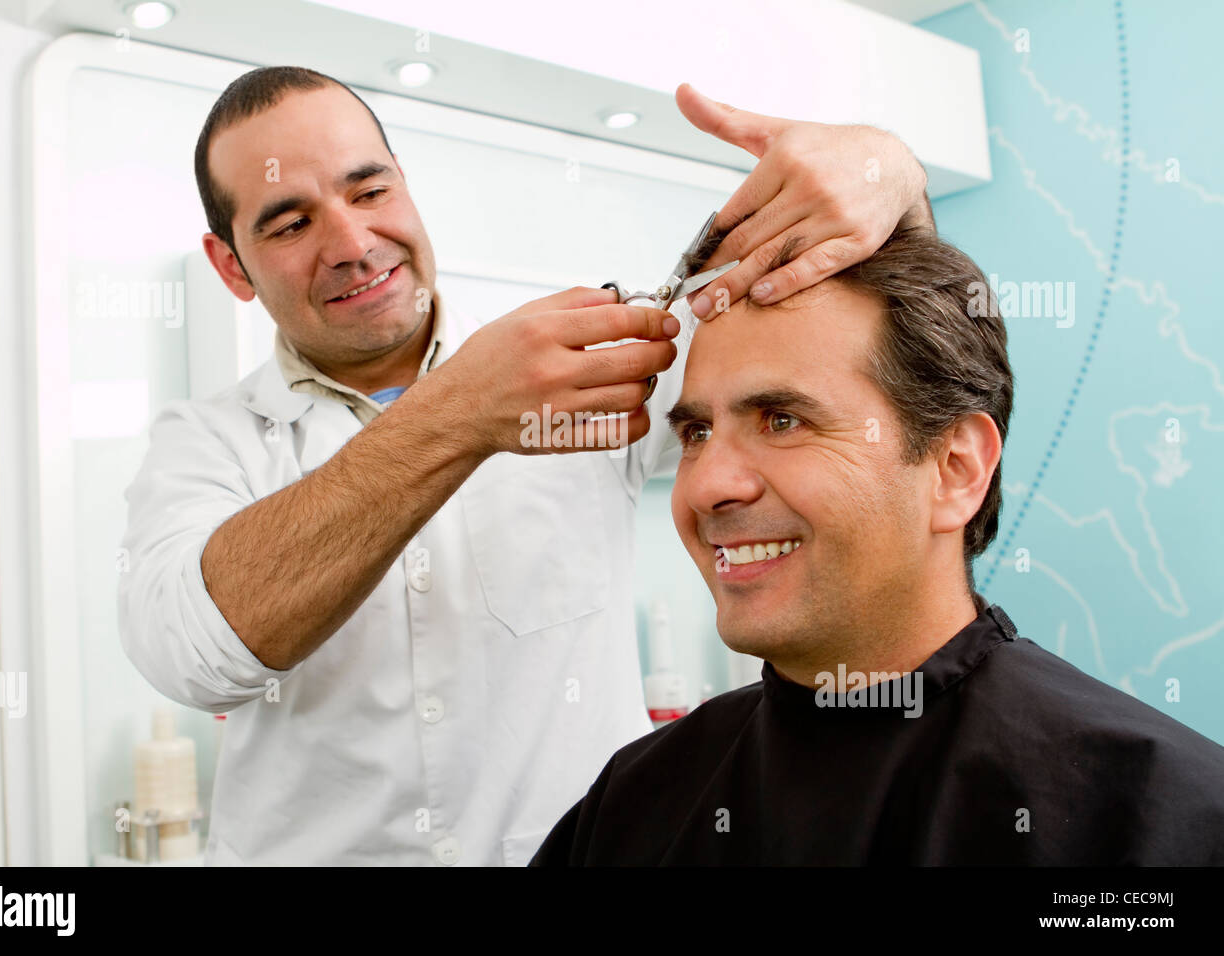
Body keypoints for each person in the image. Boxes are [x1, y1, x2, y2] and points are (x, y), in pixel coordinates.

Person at [117, 65, 934, 865]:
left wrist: (887, 174)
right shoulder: (203, 441)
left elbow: (858, 322)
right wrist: (461, 410)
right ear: (230, 264)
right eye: (290, 224)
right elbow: (198, 654)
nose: (353, 244)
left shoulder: (588, 360)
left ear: (404, 186)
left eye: (370, 192)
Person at [531, 227, 1224, 865]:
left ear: (955, 468)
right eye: (697, 433)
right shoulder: (632, 803)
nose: (708, 486)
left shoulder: (1160, 819)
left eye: (782, 420)